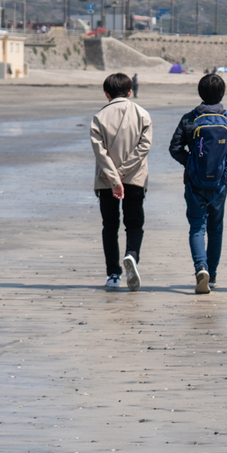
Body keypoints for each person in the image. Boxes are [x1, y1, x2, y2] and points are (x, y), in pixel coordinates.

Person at [169, 72, 227, 294]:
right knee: (215, 227)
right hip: (220, 185)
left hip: (194, 183)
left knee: (196, 226)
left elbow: (175, 149)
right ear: (222, 93)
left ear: (200, 93)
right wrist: (225, 174)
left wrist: (191, 166)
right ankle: (211, 275)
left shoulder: (189, 119)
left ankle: (200, 267)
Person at [90, 72, 152, 291]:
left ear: (106, 94)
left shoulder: (99, 117)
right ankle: (132, 255)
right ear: (130, 91)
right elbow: (143, 148)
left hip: (106, 180)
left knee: (110, 226)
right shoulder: (142, 114)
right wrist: (124, 174)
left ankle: (113, 274)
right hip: (135, 178)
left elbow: (100, 152)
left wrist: (115, 178)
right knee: (134, 223)